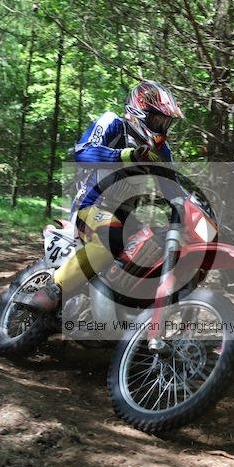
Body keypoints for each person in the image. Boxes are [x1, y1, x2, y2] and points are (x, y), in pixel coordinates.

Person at [30, 80, 184, 312]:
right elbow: (83, 153)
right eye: (157, 120)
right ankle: (54, 288)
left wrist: (191, 209)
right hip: (91, 205)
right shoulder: (113, 123)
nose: (161, 127)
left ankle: (125, 309)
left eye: (166, 122)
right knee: (110, 238)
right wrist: (127, 156)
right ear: (138, 111)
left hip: (125, 217)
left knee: (153, 248)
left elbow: (172, 187)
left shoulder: (161, 151)